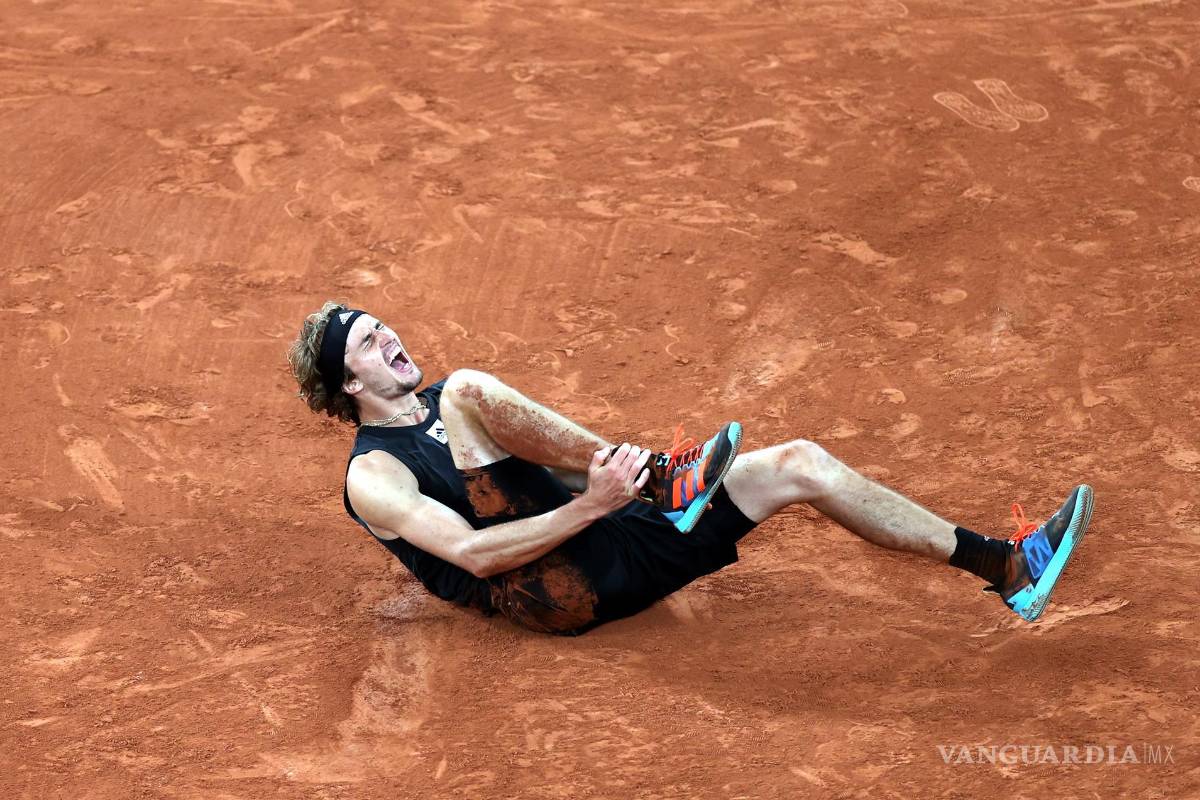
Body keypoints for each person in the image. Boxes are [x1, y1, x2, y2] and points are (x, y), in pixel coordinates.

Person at [287, 302, 1094, 635]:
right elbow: (471, 555)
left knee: (799, 463)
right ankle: (657, 479)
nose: (389, 338)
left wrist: (601, 496)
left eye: (383, 326)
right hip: (551, 591)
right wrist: (596, 502)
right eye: (368, 343)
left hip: (609, 540)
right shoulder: (374, 474)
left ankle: (1007, 566)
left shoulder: (450, 411)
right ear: (348, 384)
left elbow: (553, 479)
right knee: (467, 388)